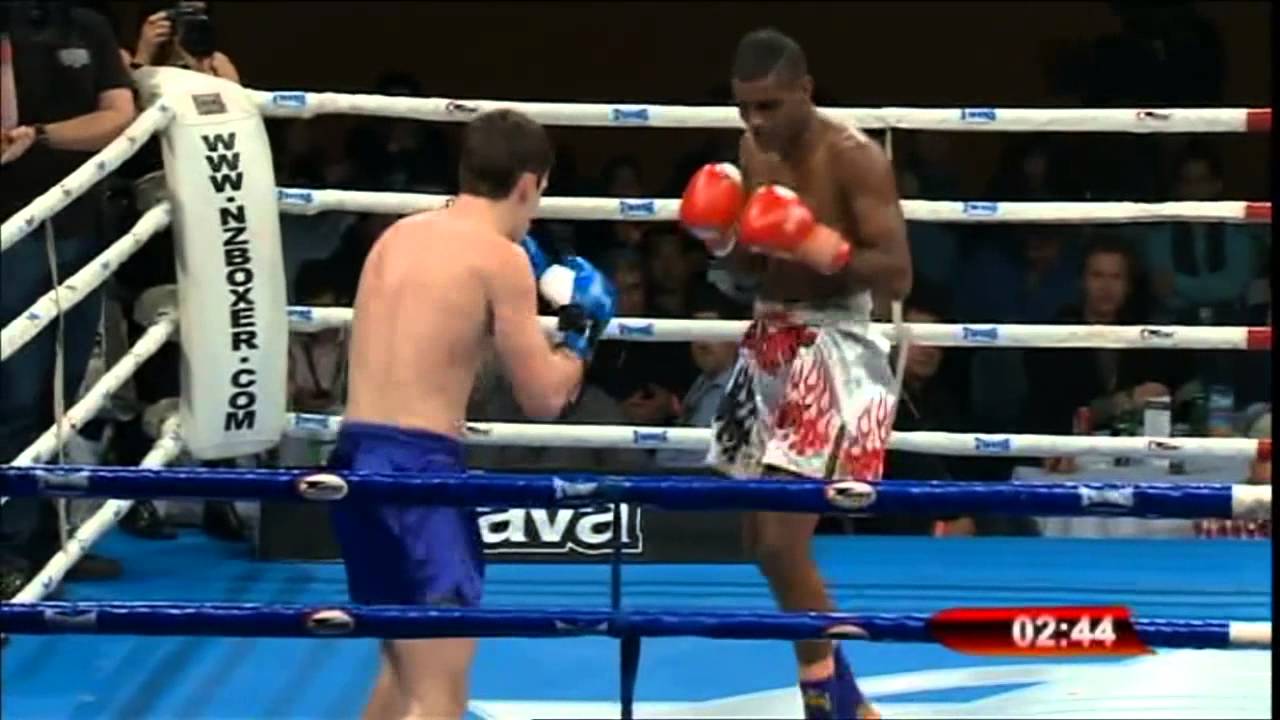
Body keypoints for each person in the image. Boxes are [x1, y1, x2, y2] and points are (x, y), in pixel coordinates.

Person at [327, 108, 616, 720]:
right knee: (441, 690)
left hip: (353, 462)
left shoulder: (398, 235)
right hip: (419, 472)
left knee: (402, 668)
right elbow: (544, 398)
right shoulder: (499, 259)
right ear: (529, 184)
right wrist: (582, 333)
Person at [677, 28, 911, 720]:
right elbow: (754, 264)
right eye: (744, 108)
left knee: (782, 542)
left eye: (769, 106)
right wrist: (722, 242)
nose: (755, 122)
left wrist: (820, 245)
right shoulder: (752, 150)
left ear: (805, 90)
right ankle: (845, 700)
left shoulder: (854, 159)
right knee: (758, 541)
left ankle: (827, 702)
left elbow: (898, 274)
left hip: (835, 344)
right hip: (769, 338)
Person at [1, 0, 136, 593]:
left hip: (79, 225)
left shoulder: (86, 25)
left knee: (63, 395)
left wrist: (41, 136)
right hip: (11, 232)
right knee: (15, 397)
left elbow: (119, 114)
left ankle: (48, 539)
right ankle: (9, 549)